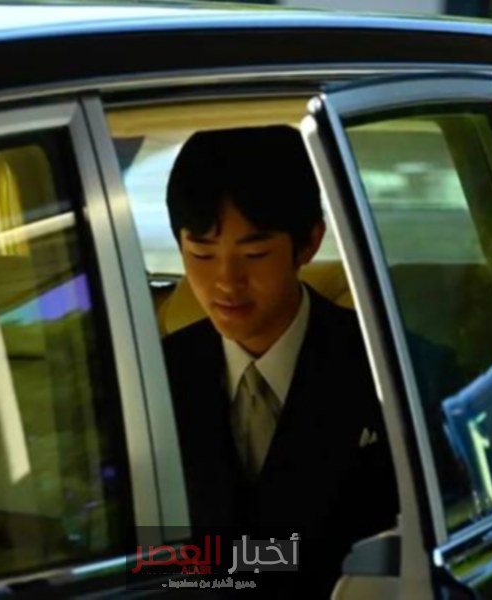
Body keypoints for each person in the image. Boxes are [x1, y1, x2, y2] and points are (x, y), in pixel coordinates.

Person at [161, 125, 398, 597]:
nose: (226, 281)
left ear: (309, 243)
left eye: (254, 254)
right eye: (202, 255)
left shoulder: (389, 367)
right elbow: (131, 556)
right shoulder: (153, 377)